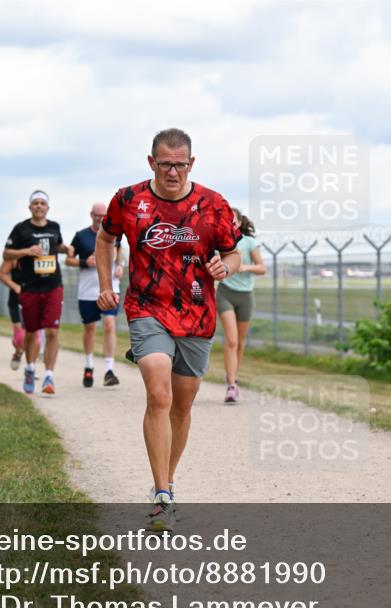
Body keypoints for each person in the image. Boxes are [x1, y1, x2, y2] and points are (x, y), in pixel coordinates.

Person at [96, 128, 241, 531]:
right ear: (151, 163)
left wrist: (223, 267)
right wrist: (107, 284)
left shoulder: (213, 205)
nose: (173, 172)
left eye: (180, 164)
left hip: (197, 313)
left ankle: (168, 478)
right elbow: (105, 239)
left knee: (182, 404)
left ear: (191, 163)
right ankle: (162, 495)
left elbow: (233, 254)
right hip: (147, 307)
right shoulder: (128, 200)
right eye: (165, 164)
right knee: (158, 392)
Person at [3, 190, 74, 394]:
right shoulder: (21, 229)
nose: (39, 206)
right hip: (30, 287)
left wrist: (66, 249)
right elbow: (6, 253)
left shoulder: (54, 227)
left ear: (48, 207)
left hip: (53, 285)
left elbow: (56, 245)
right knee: (32, 332)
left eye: (43, 203)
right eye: (36, 203)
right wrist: (26, 251)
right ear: (30, 207)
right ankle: (30, 368)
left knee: (52, 331)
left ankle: (49, 376)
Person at [67, 202, 125, 387]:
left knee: (109, 325)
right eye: (97, 215)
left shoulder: (114, 233)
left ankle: (109, 370)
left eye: (103, 215)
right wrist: (85, 262)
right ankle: (89, 365)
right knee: (89, 329)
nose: (100, 218)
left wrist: (121, 266)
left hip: (110, 288)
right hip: (88, 291)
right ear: (91, 215)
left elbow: (119, 253)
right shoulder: (81, 236)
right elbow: (69, 259)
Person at [217, 208, 265, 403]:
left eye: (232, 220)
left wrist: (244, 266)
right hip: (225, 293)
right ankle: (231, 385)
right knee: (231, 340)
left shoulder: (249, 242)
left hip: (245, 296)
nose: (229, 223)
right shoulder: (220, 242)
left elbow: (262, 267)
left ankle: (234, 377)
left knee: (240, 343)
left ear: (239, 222)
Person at [0, 259, 26, 370]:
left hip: (32, 298)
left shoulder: (37, 255)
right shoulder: (13, 257)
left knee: (31, 335)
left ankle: (30, 367)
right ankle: (18, 351)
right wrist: (14, 286)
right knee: (19, 338)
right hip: (16, 300)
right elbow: (2, 275)